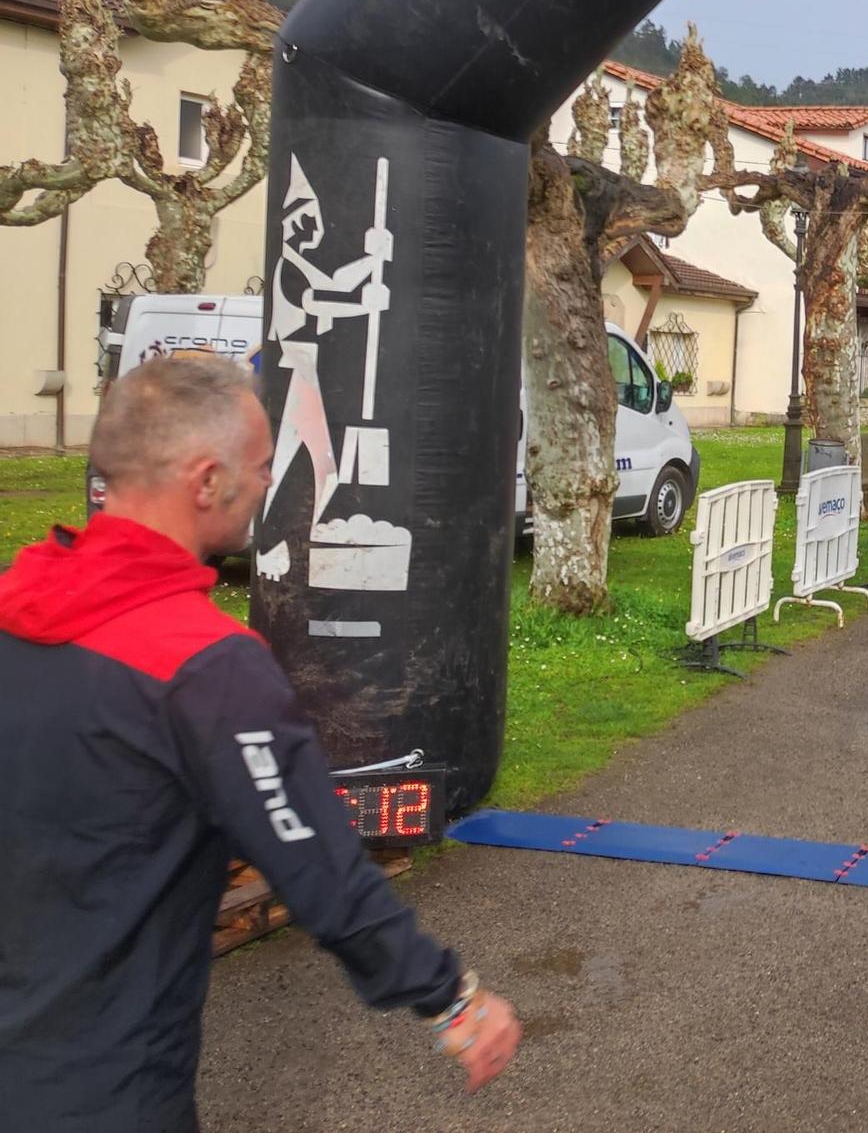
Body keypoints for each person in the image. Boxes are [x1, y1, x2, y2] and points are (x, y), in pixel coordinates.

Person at [0, 355, 520, 1131]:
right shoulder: (206, 666)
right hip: (103, 1085)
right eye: (264, 466)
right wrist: (451, 998)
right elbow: (320, 867)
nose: (270, 486)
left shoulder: (18, 605)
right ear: (207, 481)